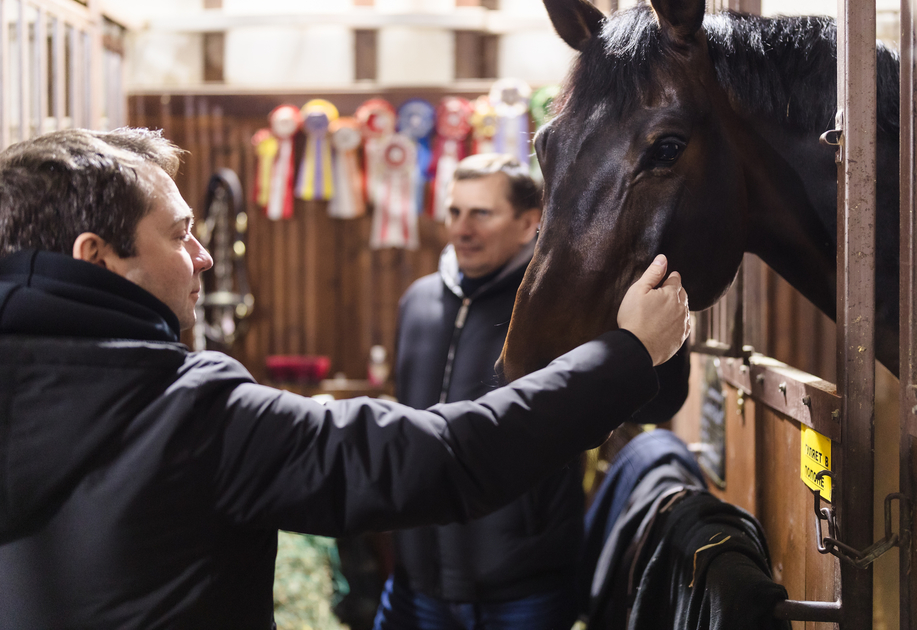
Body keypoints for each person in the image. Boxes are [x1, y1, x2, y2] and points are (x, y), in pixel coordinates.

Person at [0, 128, 690, 629]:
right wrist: (628, 353)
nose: (204, 256)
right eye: (180, 233)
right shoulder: (192, 414)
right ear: (98, 258)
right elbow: (445, 454)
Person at [374, 154, 577, 630]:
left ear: (530, 223)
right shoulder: (418, 301)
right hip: (415, 584)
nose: (462, 229)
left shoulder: (557, 309)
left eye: (481, 213)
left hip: (522, 592)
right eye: (454, 212)